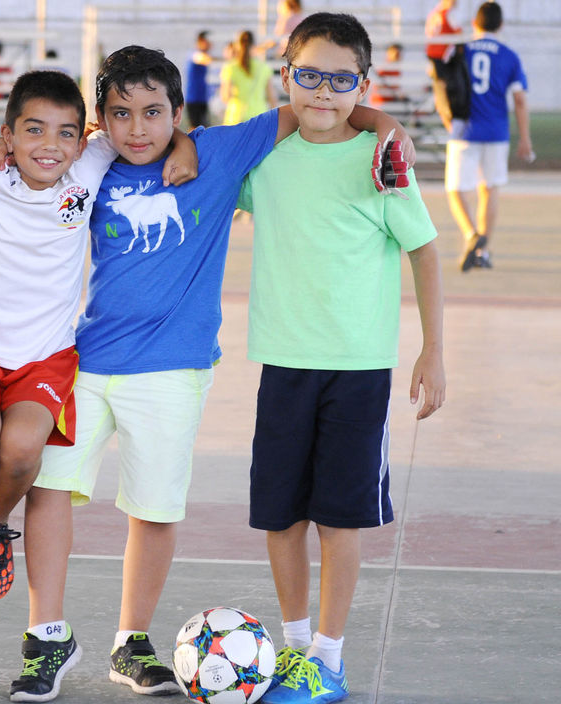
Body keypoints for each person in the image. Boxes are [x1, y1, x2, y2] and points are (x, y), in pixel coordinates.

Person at [11, 44, 413, 703]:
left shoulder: (218, 153)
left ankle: (131, 642)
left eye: (153, 113)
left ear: (178, 112)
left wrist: (386, 124)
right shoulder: (87, 163)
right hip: (87, 359)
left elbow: (311, 106)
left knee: (153, 507)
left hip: (172, 370)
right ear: (101, 121)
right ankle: (47, 635)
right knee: (49, 487)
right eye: (121, 114)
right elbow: (27, 165)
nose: (137, 128)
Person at [0, 70, 196, 606]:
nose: (50, 145)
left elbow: (143, 130)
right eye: (34, 130)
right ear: (7, 135)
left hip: (47, 356)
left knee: (24, 445)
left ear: (81, 139)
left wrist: (185, 142)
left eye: (65, 133)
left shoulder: (90, 164)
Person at [235, 13, 445, 704]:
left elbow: (424, 251)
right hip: (283, 364)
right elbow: (202, 168)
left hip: (357, 371)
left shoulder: (383, 162)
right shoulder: (265, 160)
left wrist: (433, 350)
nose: (323, 91)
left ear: (364, 83)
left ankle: (329, 658)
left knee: (339, 518)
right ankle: (295, 650)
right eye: (309, 76)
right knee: (280, 516)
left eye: (340, 79)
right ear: (285, 77)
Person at [446, 1, 532, 272]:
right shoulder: (509, 55)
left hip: (464, 129)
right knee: (490, 189)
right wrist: (525, 138)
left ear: (475, 23)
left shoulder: (460, 50)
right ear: (501, 25)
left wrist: (446, 116)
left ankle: (471, 234)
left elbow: (441, 84)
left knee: (456, 189)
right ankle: (482, 251)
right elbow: (520, 100)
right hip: (496, 131)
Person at [425, 0, 467, 130]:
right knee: (448, 92)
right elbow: (459, 34)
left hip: (434, 56)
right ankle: (450, 123)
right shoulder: (448, 14)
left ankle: (447, 121)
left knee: (440, 91)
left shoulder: (434, 14)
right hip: (442, 57)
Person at [220, 30, 277, 125]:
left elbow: (225, 97)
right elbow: (272, 98)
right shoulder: (264, 67)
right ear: (253, 44)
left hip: (236, 118)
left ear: (237, 45)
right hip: (259, 118)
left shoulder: (230, 67)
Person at [185, 30, 215, 128]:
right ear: (201, 42)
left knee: (205, 128)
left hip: (203, 98)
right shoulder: (195, 54)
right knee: (195, 129)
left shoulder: (202, 54)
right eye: (208, 42)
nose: (210, 44)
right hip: (194, 99)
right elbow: (206, 59)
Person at [370, 43, 406, 108]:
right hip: (383, 105)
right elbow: (379, 89)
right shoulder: (385, 70)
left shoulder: (396, 70)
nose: (397, 54)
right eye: (395, 52)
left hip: (390, 103)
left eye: (399, 52)